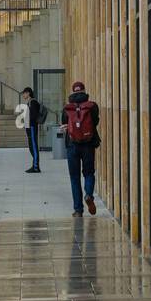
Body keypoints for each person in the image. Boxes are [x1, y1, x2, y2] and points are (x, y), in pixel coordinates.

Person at [61, 80, 100, 217]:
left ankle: (78, 210)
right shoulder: (92, 106)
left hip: (72, 145)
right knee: (89, 173)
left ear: (73, 92)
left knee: (74, 177)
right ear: (84, 91)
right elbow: (95, 122)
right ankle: (88, 194)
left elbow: (64, 124)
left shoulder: (67, 108)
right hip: (88, 144)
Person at [21, 86, 41, 173]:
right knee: (31, 147)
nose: (23, 95)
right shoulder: (29, 102)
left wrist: (27, 119)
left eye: (24, 93)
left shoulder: (33, 102)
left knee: (34, 146)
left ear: (28, 93)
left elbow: (34, 116)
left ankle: (36, 167)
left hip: (32, 127)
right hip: (29, 127)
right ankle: (34, 165)